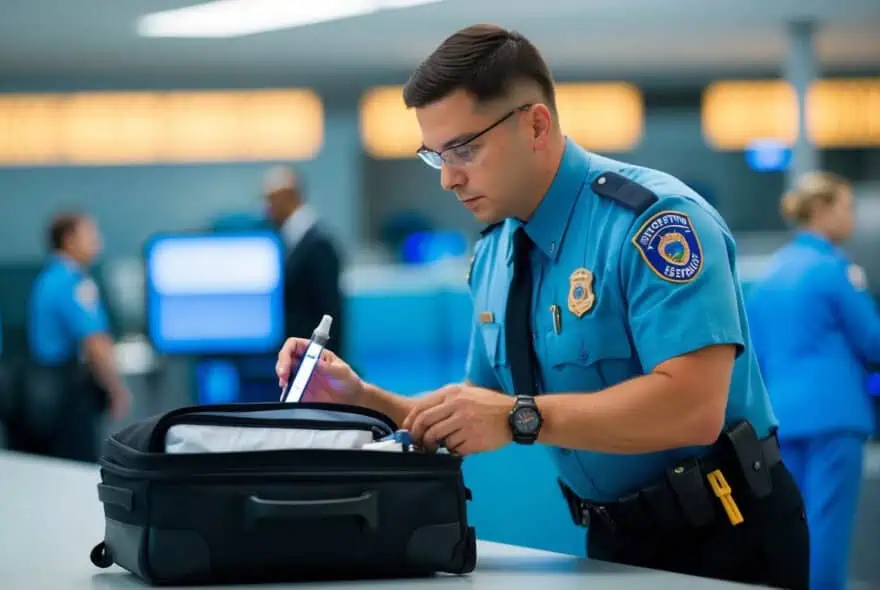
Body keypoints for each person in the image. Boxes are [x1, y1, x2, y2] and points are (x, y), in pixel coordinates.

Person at [276, 24, 808, 589]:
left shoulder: (654, 223)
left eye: (464, 149)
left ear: (535, 124)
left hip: (726, 535)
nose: (449, 178)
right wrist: (360, 398)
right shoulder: (495, 256)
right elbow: (474, 410)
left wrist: (518, 418)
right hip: (613, 542)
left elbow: (693, 408)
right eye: (436, 156)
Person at [746, 172, 880, 590]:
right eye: (845, 206)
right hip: (834, 416)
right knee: (828, 527)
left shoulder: (771, 274)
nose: (851, 215)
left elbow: (756, 352)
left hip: (781, 417)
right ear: (821, 210)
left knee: (797, 524)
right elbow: (873, 342)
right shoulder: (834, 270)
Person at [21, 211, 131, 462]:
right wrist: (115, 388)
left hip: (44, 391)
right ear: (69, 239)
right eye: (91, 234)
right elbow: (95, 342)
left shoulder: (47, 278)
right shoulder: (73, 283)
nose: (98, 241)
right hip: (67, 395)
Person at [264, 165, 345, 357]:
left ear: (288, 197)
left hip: (312, 360)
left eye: (270, 200)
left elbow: (330, 312)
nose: (267, 208)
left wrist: (325, 361)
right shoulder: (291, 239)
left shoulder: (317, 243)